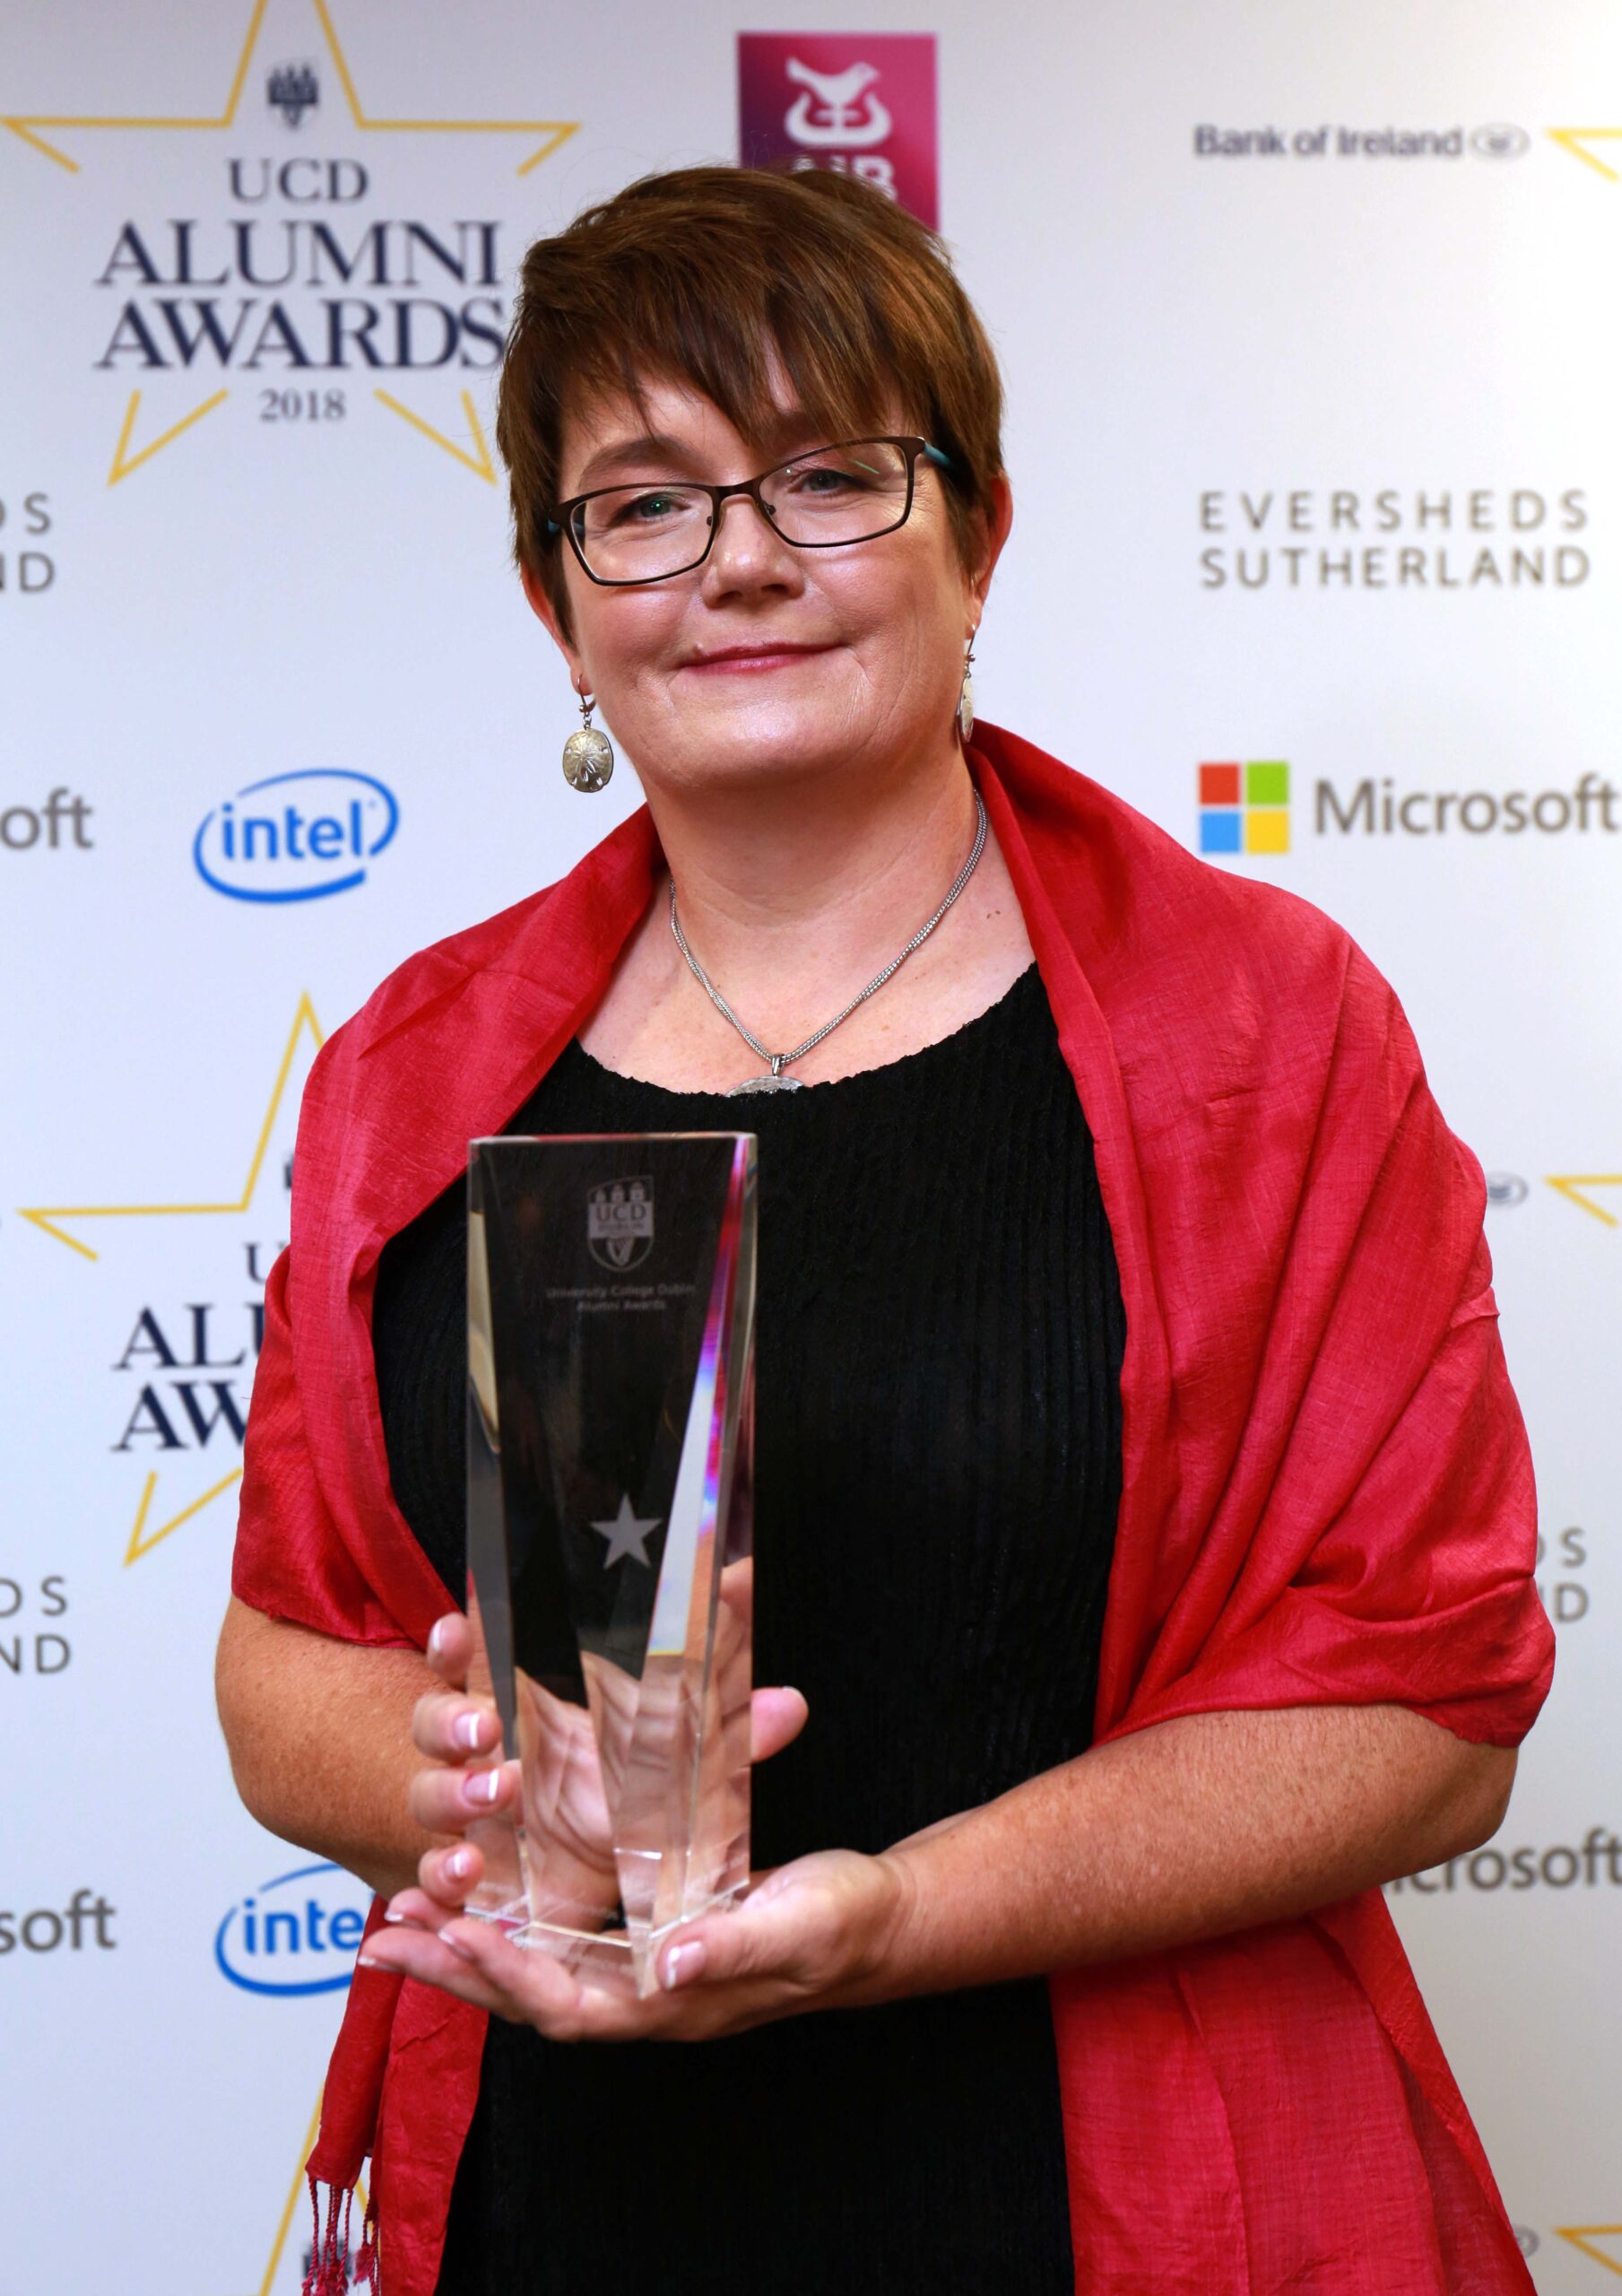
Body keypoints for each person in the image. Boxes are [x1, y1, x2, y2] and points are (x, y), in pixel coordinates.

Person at [216, 166, 1553, 2296]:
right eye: (642, 503)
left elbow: (1426, 1699)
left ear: (977, 533)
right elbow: (285, 1649)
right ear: (559, 604)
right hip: (567, 2186)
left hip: (1103, 2196)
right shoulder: (415, 1066)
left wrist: (893, 1913)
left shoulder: (1264, 1032)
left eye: (828, 477)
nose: (736, 560)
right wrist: (489, 1781)